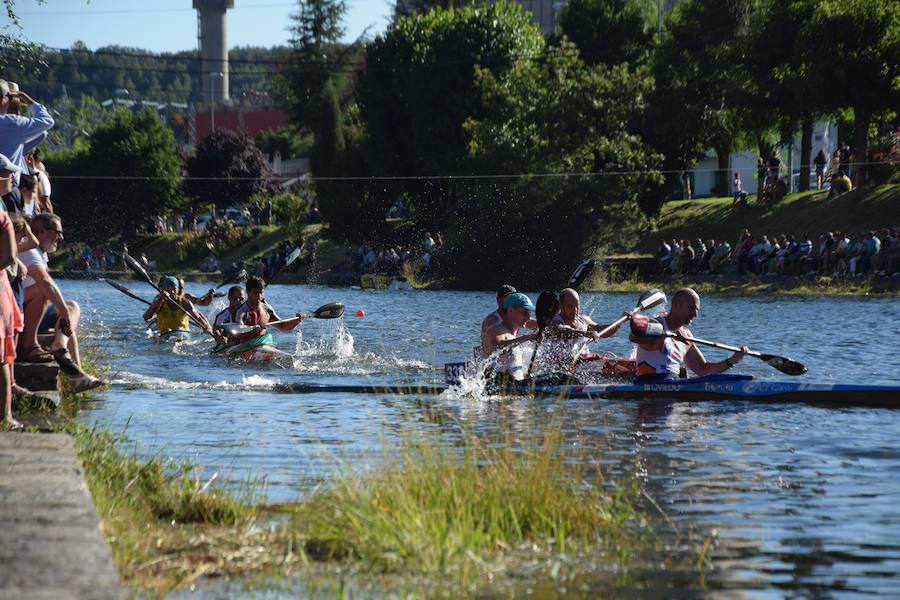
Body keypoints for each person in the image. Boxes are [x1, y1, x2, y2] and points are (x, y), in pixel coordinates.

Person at [19, 213, 104, 391]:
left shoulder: (40, 252)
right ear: (41, 232)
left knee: (71, 309)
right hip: (19, 313)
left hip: (30, 309)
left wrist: (65, 312)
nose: (61, 237)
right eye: (57, 232)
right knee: (52, 299)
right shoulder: (30, 250)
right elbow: (46, 282)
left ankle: (75, 370)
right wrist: (62, 311)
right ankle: (35, 346)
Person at [631, 288, 747, 380]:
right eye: (691, 308)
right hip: (648, 382)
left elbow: (702, 369)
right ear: (676, 305)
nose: (695, 314)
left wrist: (732, 360)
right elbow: (634, 337)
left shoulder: (686, 335)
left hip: (673, 383)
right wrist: (660, 336)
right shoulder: (657, 326)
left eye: (697, 310)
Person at [545, 288, 623, 370]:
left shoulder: (584, 320)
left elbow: (603, 331)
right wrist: (584, 333)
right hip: (558, 364)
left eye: (577, 306)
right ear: (561, 305)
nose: (575, 310)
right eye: (570, 306)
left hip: (582, 361)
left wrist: (619, 322)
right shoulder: (554, 321)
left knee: (610, 363)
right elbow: (563, 330)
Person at [481, 293, 543, 382]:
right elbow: (496, 348)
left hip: (515, 386)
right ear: (510, 310)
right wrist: (527, 338)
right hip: (494, 386)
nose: (528, 317)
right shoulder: (496, 329)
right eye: (524, 313)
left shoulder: (513, 334)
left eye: (529, 313)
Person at [0, 81, 54, 182]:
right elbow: (46, 123)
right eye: (13, 105)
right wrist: (26, 98)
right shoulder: (15, 123)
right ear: (3, 100)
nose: (17, 112)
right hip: (7, 182)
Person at [230, 276, 305, 344]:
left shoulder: (267, 309)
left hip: (262, 343)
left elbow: (283, 327)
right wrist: (252, 330)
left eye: (261, 292)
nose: (259, 296)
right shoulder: (240, 312)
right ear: (247, 292)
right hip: (243, 346)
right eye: (255, 293)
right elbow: (237, 333)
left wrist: (296, 320)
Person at [142, 275, 211, 338]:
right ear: (164, 289)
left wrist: (206, 327)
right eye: (168, 289)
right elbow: (146, 317)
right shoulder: (159, 301)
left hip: (183, 334)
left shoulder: (185, 302)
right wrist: (160, 300)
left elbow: (198, 317)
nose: (171, 292)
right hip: (165, 334)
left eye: (174, 289)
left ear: (178, 289)